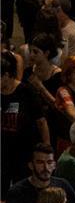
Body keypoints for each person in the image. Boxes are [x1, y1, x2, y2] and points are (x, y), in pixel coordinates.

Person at [0, 50, 49, 188]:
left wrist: (46, 148)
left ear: (6, 75)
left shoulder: (26, 92)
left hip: (24, 152)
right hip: (3, 152)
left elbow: (41, 121)